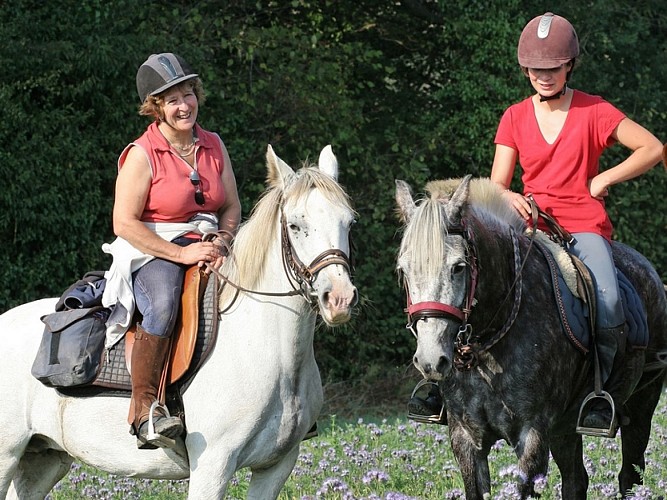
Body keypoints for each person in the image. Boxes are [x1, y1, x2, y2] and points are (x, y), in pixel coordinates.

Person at [408, 13, 663, 433]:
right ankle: (440, 387)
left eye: (553, 68)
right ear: (526, 69)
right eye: (536, 70)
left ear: (569, 66)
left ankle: (600, 395)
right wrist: (507, 195)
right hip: (527, 231)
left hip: (582, 229)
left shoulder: (595, 111)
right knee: (461, 287)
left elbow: (651, 147)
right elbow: (496, 184)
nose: (544, 76)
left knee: (611, 303)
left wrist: (604, 177)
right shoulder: (514, 117)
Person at [101, 52, 241, 449]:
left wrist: (224, 239)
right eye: (173, 99)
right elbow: (124, 223)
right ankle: (145, 410)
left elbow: (230, 205)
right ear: (156, 107)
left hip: (210, 243)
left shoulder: (213, 144)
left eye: (188, 94)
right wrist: (181, 255)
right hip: (154, 250)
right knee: (163, 303)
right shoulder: (142, 154)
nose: (185, 105)